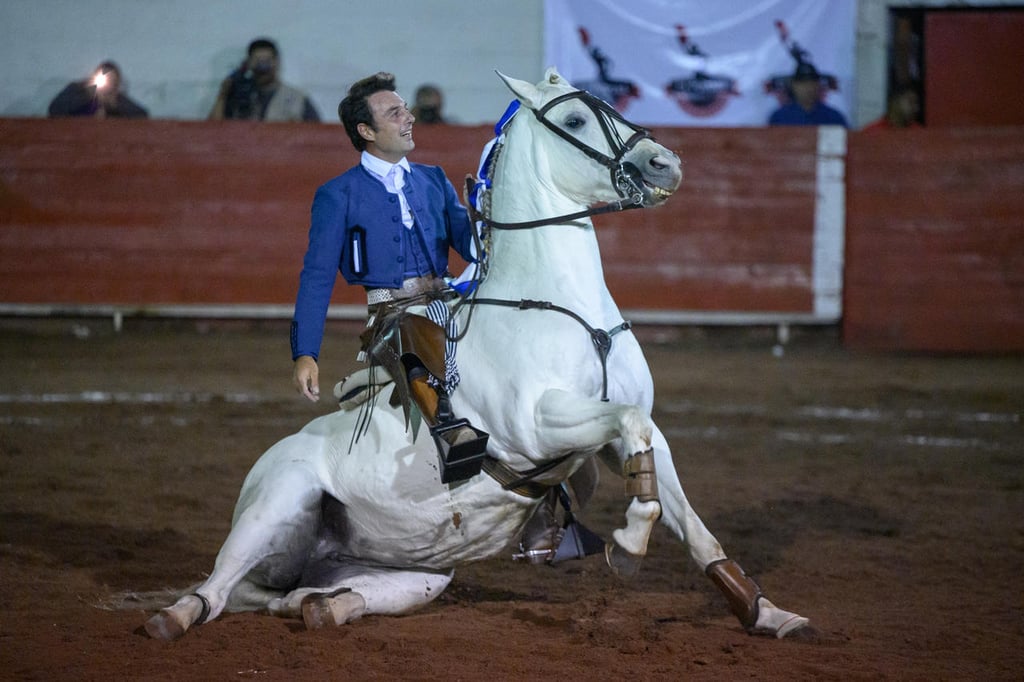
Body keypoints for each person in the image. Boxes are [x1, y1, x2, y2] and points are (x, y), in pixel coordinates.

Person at [290, 71, 484, 461]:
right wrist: (305, 353)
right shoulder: (338, 194)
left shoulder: (433, 179)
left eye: (406, 109)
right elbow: (317, 276)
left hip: (450, 300)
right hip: (393, 314)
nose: (408, 117)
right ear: (367, 130)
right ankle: (450, 434)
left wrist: (482, 215)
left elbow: (472, 248)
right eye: (394, 113)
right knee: (413, 339)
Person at [208, 38, 319, 122]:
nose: (263, 67)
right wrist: (222, 96)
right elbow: (212, 131)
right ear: (249, 63)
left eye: (267, 61)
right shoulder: (237, 95)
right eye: (257, 61)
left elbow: (317, 136)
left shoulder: (297, 99)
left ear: (277, 62)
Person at [48, 61, 148, 119]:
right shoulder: (78, 90)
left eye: (112, 81)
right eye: (105, 78)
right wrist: (85, 97)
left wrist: (115, 106)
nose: (108, 84)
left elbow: (142, 116)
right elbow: (55, 109)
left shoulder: (117, 99)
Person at [768, 62, 848, 127]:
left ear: (818, 85)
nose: (808, 88)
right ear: (793, 86)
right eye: (802, 83)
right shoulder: (779, 117)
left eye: (812, 83)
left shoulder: (833, 117)